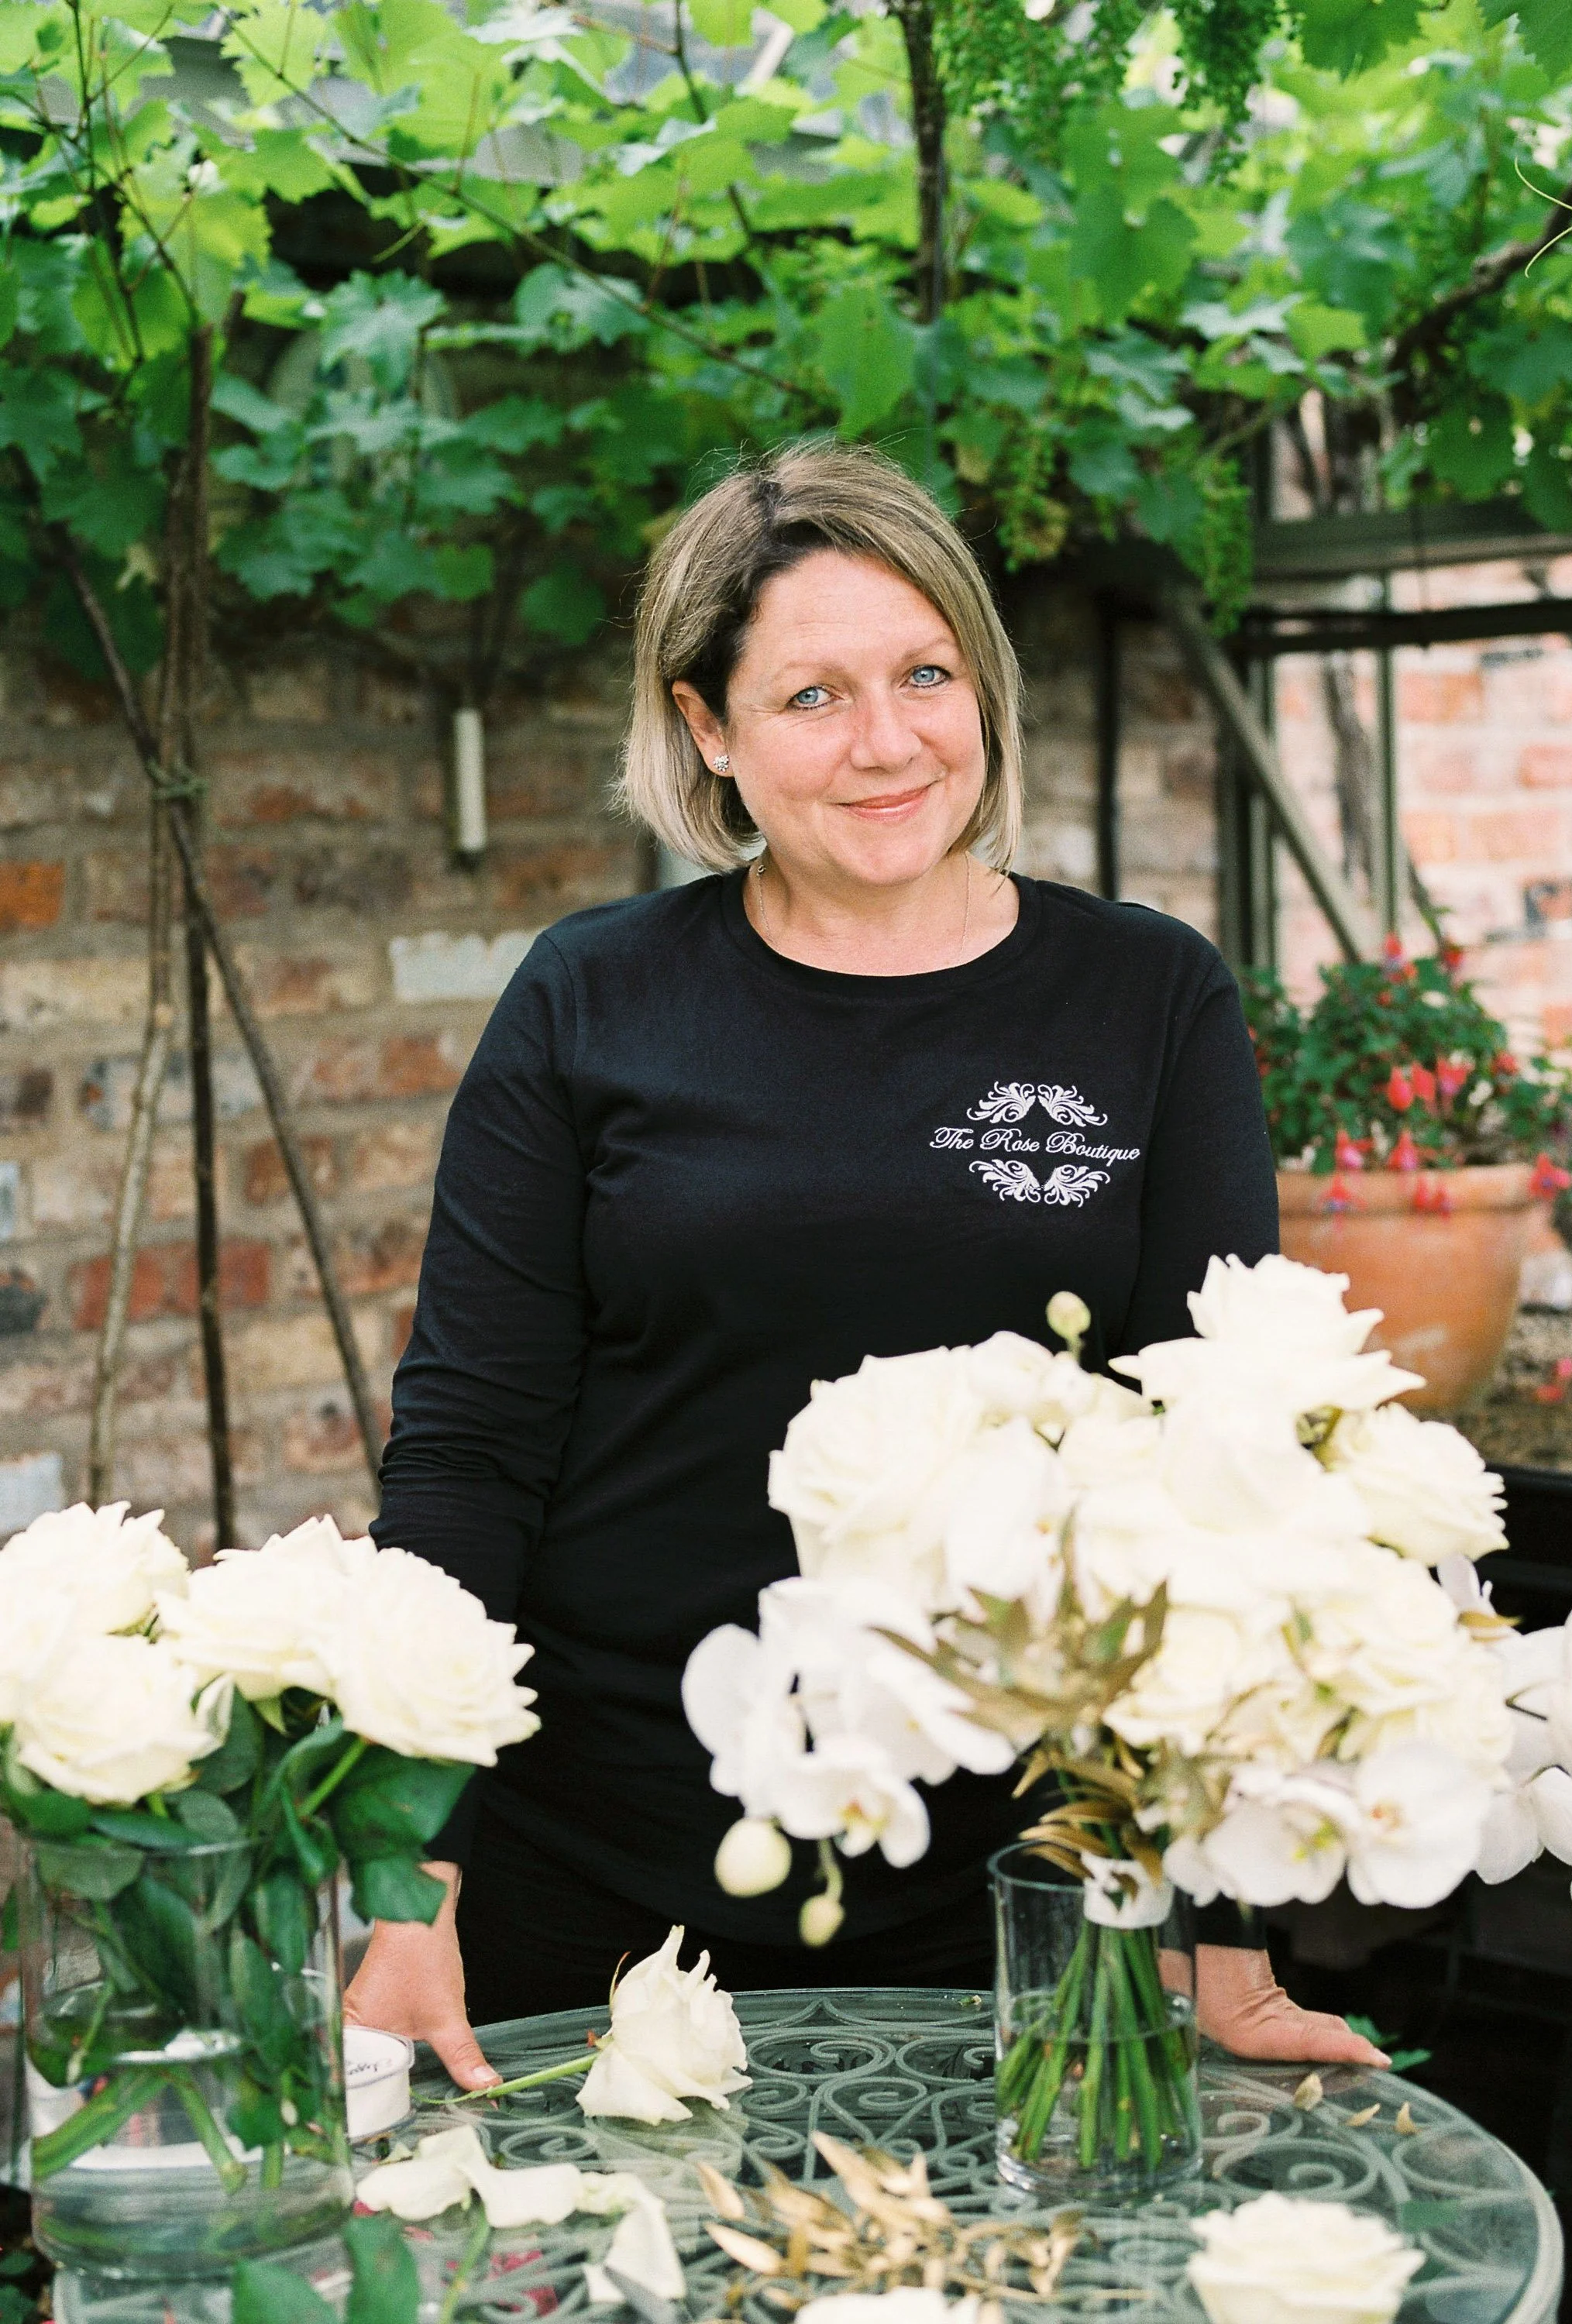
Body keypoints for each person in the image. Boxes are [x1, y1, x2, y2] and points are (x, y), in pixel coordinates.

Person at [345, 442, 1388, 2090]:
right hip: (594, 1869)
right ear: (707, 728)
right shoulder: (590, 999)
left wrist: (1224, 1924)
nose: (887, 742)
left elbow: (1223, 1470)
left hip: (1020, 1886)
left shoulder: (1145, 999)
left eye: (924, 674)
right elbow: (470, 1453)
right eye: (811, 696)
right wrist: (413, 1884)